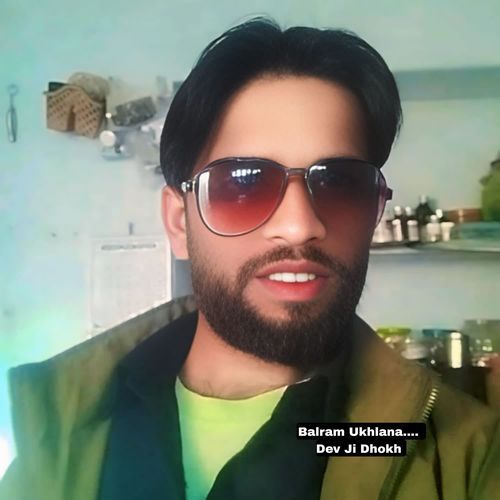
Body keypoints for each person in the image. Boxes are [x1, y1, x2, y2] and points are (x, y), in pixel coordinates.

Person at [1, 17, 499, 500]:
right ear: (179, 222)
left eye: (340, 183)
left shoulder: (467, 457)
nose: (300, 225)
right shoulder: (67, 426)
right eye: (244, 183)